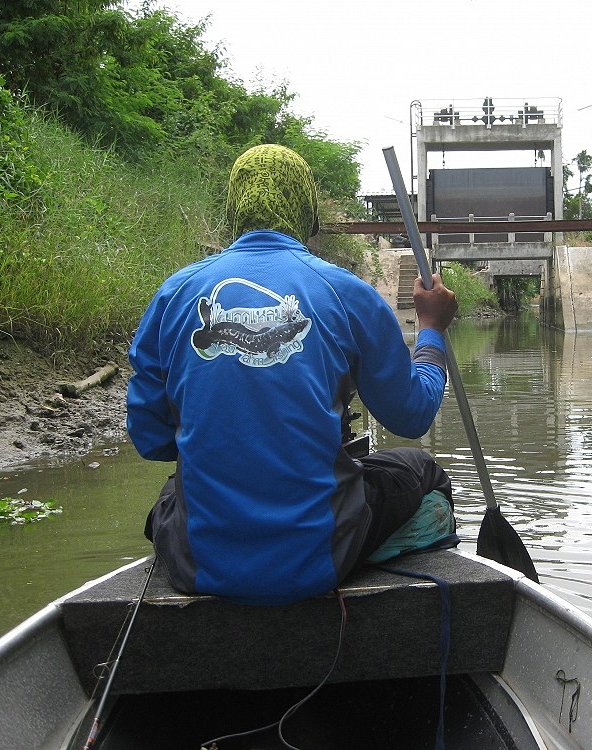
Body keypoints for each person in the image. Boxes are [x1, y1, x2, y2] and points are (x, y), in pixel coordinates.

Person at [126, 144, 458, 605]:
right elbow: (413, 415)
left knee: (171, 495)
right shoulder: (347, 294)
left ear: (233, 210)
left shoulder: (173, 294)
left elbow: (151, 440)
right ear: (307, 214)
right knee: (423, 470)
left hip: (197, 562)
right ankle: (389, 560)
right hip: (318, 561)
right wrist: (431, 330)